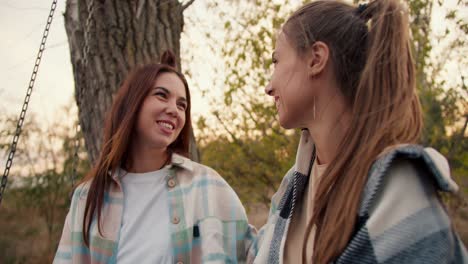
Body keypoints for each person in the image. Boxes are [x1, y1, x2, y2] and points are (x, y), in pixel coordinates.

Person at [249, 0, 468, 263]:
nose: (268, 87)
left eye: (276, 61)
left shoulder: (397, 187)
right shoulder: (292, 187)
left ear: (316, 59)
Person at [54, 51, 254, 263]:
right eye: (162, 95)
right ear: (134, 102)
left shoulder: (206, 185)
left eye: (182, 105)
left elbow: (259, 253)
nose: (174, 110)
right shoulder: (87, 198)